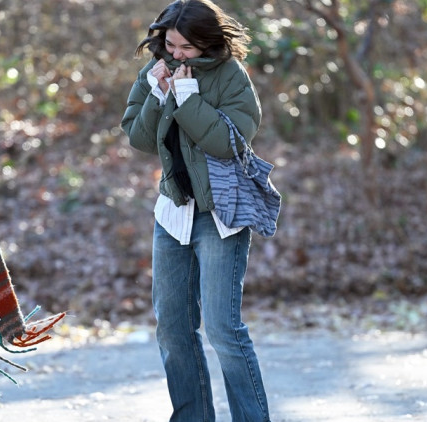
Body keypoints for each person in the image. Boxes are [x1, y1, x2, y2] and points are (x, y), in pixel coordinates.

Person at [120, 1, 270, 421]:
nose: (176, 53)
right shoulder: (158, 70)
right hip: (173, 213)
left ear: (207, 42)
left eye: (186, 46)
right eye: (170, 44)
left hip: (221, 216)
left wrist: (186, 99)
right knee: (172, 330)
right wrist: (156, 93)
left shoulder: (230, 76)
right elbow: (139, 137)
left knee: (223, 330)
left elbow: (230, 140)